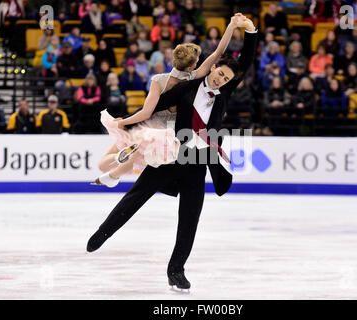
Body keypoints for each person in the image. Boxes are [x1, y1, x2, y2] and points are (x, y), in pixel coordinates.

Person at [87, 17, 258, 291]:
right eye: (219, 73)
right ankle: (102, 233)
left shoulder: (223, 93)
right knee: (137, 194)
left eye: (226, 78)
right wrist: (126, 122)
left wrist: (250, 32)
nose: (221, 78)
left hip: (198, 161)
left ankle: (176, 270)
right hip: (171, 153)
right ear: (213, 67)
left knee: (190, 218)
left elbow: (246, 62)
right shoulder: (188, 87)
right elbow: (155, 108)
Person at [95, 15, 248, 188]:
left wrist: (122, 122)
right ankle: (118, 171)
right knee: (143, 155)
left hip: (146, 123)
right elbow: (218, 52)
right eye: (197, 62)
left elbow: (146, 112)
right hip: (166, 131)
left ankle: (118, 161)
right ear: (191, 66)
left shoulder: (159, 80)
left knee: (103, 164)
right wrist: (231, 26)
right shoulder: (192, 78)